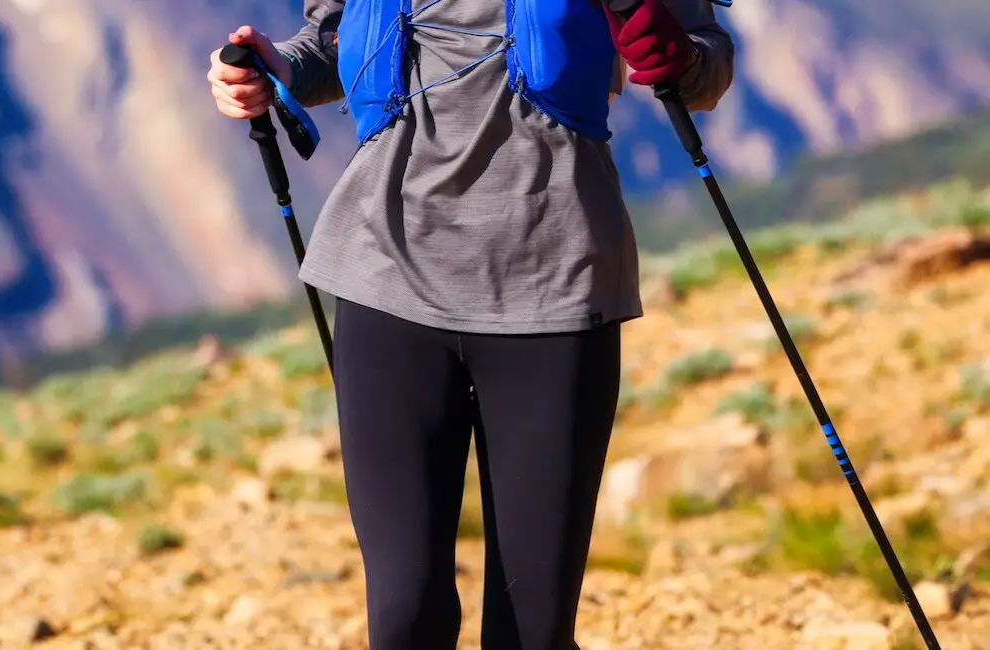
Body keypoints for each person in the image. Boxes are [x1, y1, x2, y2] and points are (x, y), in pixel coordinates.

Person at [207, 0, 733, 647]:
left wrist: (679, 57)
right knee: (404, 617)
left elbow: (704, 67)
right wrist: (273, 69)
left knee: (532, 632)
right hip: (384, 280)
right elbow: (332, 45)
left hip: (555, 283)